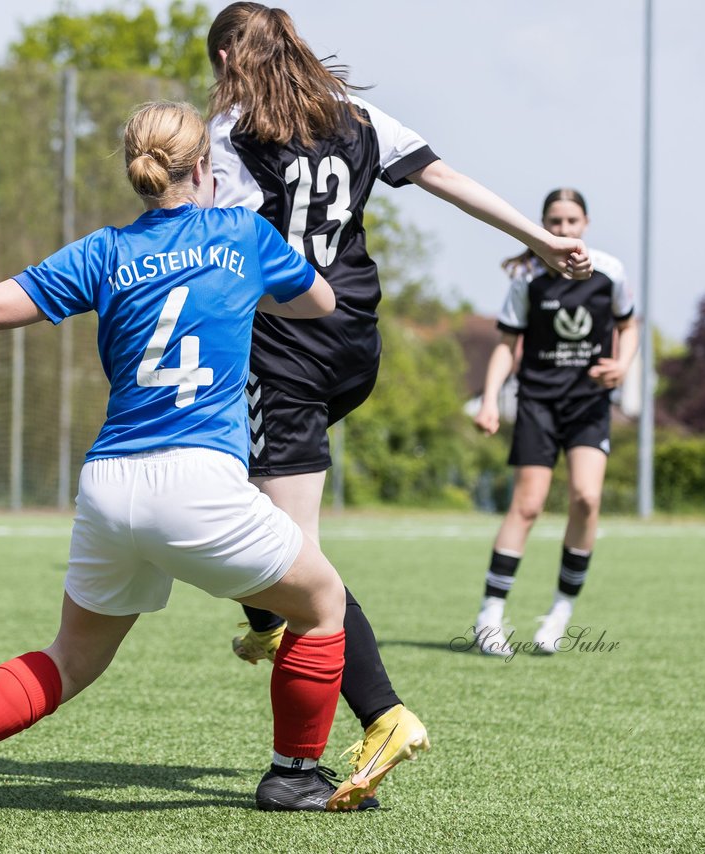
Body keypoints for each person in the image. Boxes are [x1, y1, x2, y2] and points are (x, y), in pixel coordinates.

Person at [0, 101, 382, 814]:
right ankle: (294, 774)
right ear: (206, 168)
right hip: (199, 481)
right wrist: (244, 290)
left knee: (69, 659)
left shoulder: (105, 251)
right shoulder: (241, 233)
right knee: (322, 603)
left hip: (109, 487)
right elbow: (319, 301)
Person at [205, 1, 593, 800]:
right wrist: (538, 239)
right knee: (225, 504)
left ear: (225, 63)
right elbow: (447, 180)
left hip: (285, 351)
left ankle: (381, 713)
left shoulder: (235, 130)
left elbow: (219, 249)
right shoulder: (357, 115)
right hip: (353, 343)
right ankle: (268, 621)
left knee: (284, 550)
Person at [471, 188, 637, 656]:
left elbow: (629, 325)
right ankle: (490, 616)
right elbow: (506, 344)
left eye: (571, 221)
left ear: (585, 224)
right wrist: (488, 400)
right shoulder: (528, 277)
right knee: (527, 505)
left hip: (589, 403)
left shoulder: (610, 272)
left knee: (587, 497)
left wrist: (623, 365)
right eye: (554, 222)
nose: (563, 230)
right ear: (544, 225)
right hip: (538, 403)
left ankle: (560, 612)